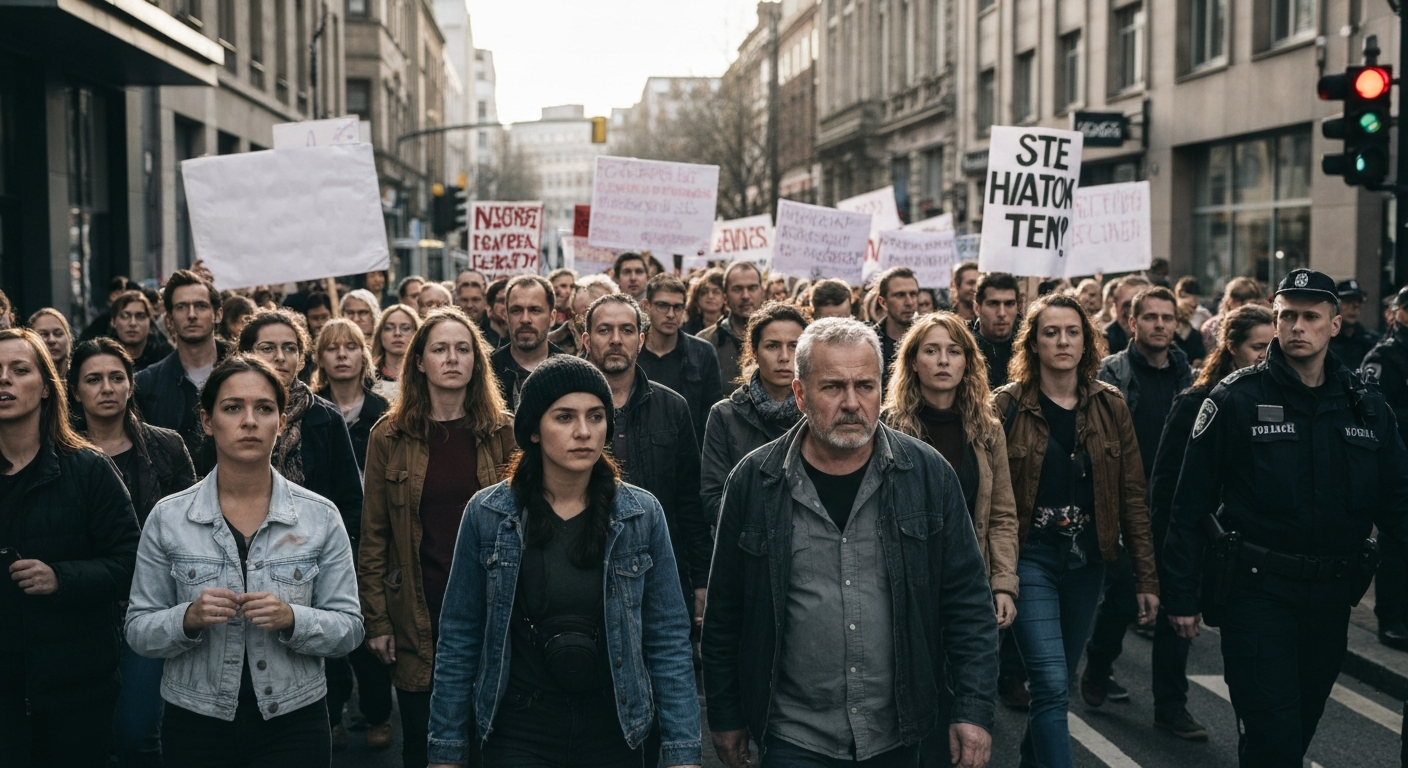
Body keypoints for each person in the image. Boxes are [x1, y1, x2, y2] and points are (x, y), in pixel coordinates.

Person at [703, 317, 998, 768]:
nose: (852, 403)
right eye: (832, 387)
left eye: (865, 386)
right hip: (794, 737)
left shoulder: (926, 474)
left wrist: (973, 710)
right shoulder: (754, 480)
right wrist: (725, 716)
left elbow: (967, 602)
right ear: (800, 394)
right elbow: (725, 612)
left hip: (898, 733)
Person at [1162, 268, 1408, 768]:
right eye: (1287, 316)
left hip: (1332, 597)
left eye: (1311, 316)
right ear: (1274, 323)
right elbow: (1189, 505)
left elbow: (1398, 503)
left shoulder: (1365, 407)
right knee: (1273, 735)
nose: (1298, 326)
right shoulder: (1234, 399)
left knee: (1296, 730)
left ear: (1334, 325)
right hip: (1258, 592)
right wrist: (1181, 596)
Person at [424, 355, 702, 768]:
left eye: (596, 416)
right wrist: (445, 750)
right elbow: (460, 635)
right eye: (565, 417)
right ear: (534, 430)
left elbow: (667, 639)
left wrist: (683, 753)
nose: (584, 432)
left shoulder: (640, 515)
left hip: (614, 726)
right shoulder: (489, 514)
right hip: (519, 728)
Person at [124, 354, 364, 767]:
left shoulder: (320, 516)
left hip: (294, 718)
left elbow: (350, 629)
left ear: (282, 422)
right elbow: (138, 630)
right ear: (206, 420)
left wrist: (293, 618)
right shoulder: (169, 517)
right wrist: (187, 618)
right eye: (233, 407)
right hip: (196, 719)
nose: (249, 421)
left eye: (264, 408)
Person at [992, 294, 1160, 768]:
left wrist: (1146, 579)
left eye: (1072, 331)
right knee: (1046, 681)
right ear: (1034, 343)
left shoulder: (1111, 406)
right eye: (1050, 332)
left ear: (1087, 341)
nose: (1062, 340)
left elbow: (1132, 498)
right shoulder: (1005, 407)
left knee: (1058, 685)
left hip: (1088, 563)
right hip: (1030, 559)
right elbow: (988, 497)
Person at [358, 307, 517, 768]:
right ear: (420, 362)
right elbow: (374, 535)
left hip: (490, 608)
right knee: (426, 749)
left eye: (463, 348)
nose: (452, 358)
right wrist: (378, 620)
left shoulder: (503, 430)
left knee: (491, 743)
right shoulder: (389, 434)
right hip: (417, 611)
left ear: (477, 361)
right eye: (440, 349)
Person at [0, 328, 140, 767]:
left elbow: (131, 561)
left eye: (18, 370)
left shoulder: (87, 469)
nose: (3, 379)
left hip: (74, 688)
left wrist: (61, 578)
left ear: (46, 387)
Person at [1143, 303, 1273, 741]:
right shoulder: (1198, 402)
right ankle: (1167, 704)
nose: (1267, 356)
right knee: (1175, 624)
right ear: (1232, 348)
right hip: (1196, 536)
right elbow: (1167, 489)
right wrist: (1167, 556)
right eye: (1258, 347)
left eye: (1271, 346)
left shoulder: (1275, 401)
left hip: (1245, 544)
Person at [68, 338, 196, 767]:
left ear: (131, 385)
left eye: (116, 377)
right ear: (74, 390)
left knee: (137, 734)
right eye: (93, 379)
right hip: (82, 612)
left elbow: (191, 530)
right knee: (88, 735)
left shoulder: (167, 447)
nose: (106, 387)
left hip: (150, 607)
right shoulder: (59, 454)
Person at [1080, 286, 1190, 707]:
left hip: (1173, 506)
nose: (1159, 324)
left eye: (1167, 318)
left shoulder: (1188, 376)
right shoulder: (1112, 373)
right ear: (1132, 322)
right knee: (1126, 593)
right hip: (1125, 504)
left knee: (1174, 601)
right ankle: (1099, 665)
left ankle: (1171, 704)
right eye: (1150, 317)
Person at [582, 294, 712, 630]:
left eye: (626, 330)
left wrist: (701, 578)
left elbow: (690, 503)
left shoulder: (672, 407)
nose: (615, 340)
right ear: (586, 340)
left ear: (640, 340)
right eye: (604, 330)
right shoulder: (565, 412)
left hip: (659, 570)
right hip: (585, 567)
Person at [882, 312, 1020, 627]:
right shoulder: (888, 427)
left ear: (967, 362)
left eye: (954, 351)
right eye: (931, 351)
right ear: (913, 362)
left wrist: (1003, 585)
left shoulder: (987, 430)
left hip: (969, 578)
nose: (943, 360)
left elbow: (1001, 516)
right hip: (907, 580)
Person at [700, 302, 808, 532]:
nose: (784, 357)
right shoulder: (725, 415)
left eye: (794, 346)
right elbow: (713, 497)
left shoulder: (818, 411)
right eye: (772, 346)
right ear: (754, 352)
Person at [135, 269, 229, 476]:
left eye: (201, 306)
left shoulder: (246, 374)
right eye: (182, 307)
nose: (192, 315)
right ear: (169, 320)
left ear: (218, 314)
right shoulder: (146, 384)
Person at [1363, 286, 1408, 650]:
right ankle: (1391, 618)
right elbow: (1375, 411)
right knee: (1396, 543)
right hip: (1400, 463)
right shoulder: (1385, 356)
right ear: (1400, 313)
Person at [639, 273, 724, 448]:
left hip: (687, 452)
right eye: (663, 306)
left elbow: (711, 416)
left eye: (677, 307)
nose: (671, 314)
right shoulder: (632, 351)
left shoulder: (703, 353)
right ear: (646, 307)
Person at [311, 318, 390, 473]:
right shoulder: (311, 409)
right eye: (332, 348)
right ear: (320, 359)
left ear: (363, 357)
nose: (341, 355)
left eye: (351, 347)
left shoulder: (383, 410)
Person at [491, 275, 563, 412]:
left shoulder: (571, 372)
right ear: (506, 316)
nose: (525, 319)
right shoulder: (487, 371)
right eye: (516, 310)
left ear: (552, 317)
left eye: (535, 310)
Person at [699, 261, 764, 393]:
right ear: (725, 297)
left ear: (761, 292)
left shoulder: (780, 339)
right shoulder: (705, 343)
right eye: (737, 289)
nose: (745, 296)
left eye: (752, 288)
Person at [868, 267, 922, 393]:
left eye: (913, 294)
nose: (909, 302)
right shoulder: (869, 342)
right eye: (900, 295)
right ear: (883, 302)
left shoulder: (928, 338)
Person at [971, 272, 1020, 389]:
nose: (1002, 313)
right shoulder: (964, 349)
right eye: (993, 304)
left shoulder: (1030, 349)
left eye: (1009, 304)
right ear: (977, 309)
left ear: (1018, 307)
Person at [110, 290, 173, 372]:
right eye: (125, 316)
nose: (133, 323)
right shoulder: (101, 357)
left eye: (140, 316)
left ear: (150, 322)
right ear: (113, 322)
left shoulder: (166, 358)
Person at [371, 304, 421, 401]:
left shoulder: (425, 375)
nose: (397, 333)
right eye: (389, 328)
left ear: (416, 333)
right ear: (380, 334)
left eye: (405, 328)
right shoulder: (367, 379)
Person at [1328, 278, 1379, 371]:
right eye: (1348, 300)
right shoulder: (1324, 340)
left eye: (1359, 301)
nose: (1355, 306)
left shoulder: (1370, 341)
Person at [1200, 276, 1264, 350]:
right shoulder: (1211, 326)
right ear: (1230, 302)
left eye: (1253, 304)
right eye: (1242, 304)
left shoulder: (1259, 326)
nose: (1247, 309)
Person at [1103, 275, 1152, 355]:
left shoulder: (1165, 337)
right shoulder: (1104, 340)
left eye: (1141, 305)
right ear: (1115, 306)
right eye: (1128, 305)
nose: (1134, 312)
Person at [1171, 277, 1209, 367]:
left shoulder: (1195, 333)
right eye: (1188, 306)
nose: (1191, 309)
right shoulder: (1167, 330)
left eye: (1194, 307)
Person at [29, 308, 73, 379]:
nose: (51, 340)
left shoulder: (80, 377)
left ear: (69, 339)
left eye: (58, 334)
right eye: (43, 334)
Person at [684, 267, 726, 335]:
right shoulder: (686, 329)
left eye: (716, 292)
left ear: (725, 297)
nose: (710, 296)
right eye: (704, 291)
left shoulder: (733, 327)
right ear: (697, 296)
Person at [480, 278, 510, 350]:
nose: (508, 306)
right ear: (489, 307)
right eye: (502, 301)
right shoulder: (478, 340)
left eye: (512, 301)